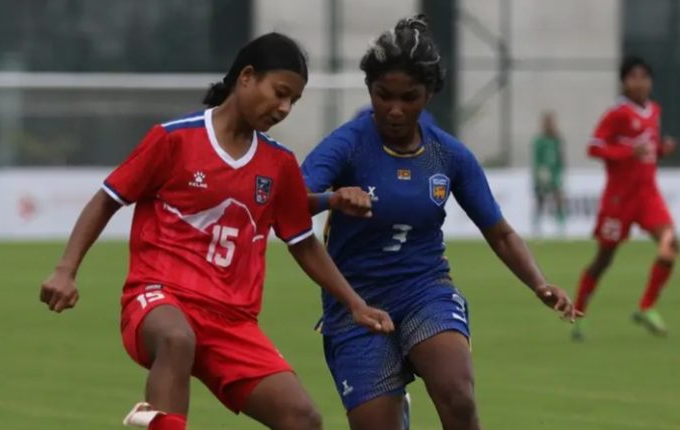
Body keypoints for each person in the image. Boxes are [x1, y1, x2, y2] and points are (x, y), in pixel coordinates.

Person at [38, 32, 393, 430]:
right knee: (176, 339)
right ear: (246, 77)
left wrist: (355, 303)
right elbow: (108, 198)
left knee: (302, 418)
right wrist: (66, 269)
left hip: (232, 320)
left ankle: (155, 420)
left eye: (293, 100)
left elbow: (300, 239)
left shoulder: (278, 163)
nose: (284, 107)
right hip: (159, 297)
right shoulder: (174, 139)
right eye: (279, 93)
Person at [302, 15, 579, 430]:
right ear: (369, 89)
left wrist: (539, 283)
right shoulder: (348, 144)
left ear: (429, 93)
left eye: (409, 97)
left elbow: (500, 233)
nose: (395, 109)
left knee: (457, 396)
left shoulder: (448, 155)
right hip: (355, 301)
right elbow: (289, 202)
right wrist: (332, 199)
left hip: (424, 288)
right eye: (383, 95)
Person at [572, 56, 677, 341]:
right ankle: (578, 313)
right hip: (619, 199)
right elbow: (594, 148)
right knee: (604, 259)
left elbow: (648, 148)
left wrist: (662, 149)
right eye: (633, 77)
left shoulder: (654, 111)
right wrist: (628, 152)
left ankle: (646, 307)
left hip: (648, 195)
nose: (640, 82)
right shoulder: (617, 114)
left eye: (644, 77)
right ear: (624, 82)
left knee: (670, 244)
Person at [532, 111, 566, 237]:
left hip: (555, 173)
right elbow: (536, 159)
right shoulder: (539, 141)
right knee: (540, 199)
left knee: (558, 197)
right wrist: (539, 173)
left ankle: (561, 225)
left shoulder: (557, 139)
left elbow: (561, 157)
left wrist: (561, 171)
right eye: (549, 122)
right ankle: (536, 225)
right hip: (542, 174)